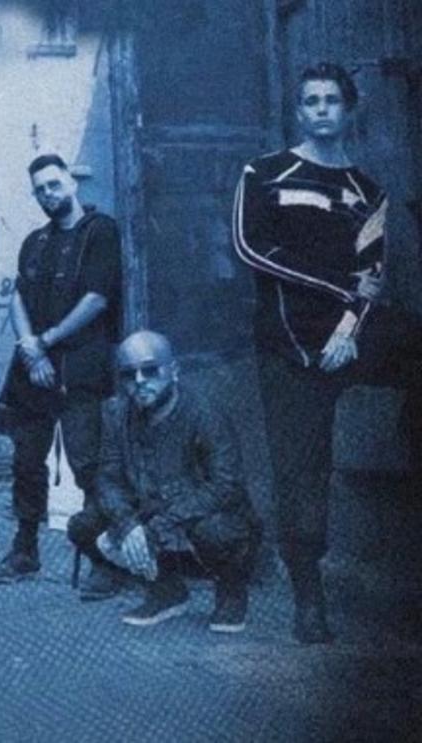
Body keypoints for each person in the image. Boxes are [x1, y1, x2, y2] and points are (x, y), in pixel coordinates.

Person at [233, 62, 422, 643]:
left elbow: (372, 274)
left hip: (347, 334)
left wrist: (349, 328)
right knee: (300, 472)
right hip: (289, 346)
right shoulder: (265, 173)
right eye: (311, 101)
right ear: (299, 111)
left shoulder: (369, 192)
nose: (321, 109)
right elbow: (250, 250)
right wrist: (340, 295)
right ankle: (308, 598)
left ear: (349, 109)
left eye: (332, 100)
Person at [0, 153, 122, 585]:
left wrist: (45, 342)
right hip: (34, 371)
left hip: (81, 367)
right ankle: (25, 552)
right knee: (26, 463)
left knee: (88, 464)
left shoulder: (100, 231)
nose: (48, 194)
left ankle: (105, 558)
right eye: (40, 190)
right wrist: (31, 350)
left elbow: (96, 299)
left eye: (54, 184)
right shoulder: (34, 241)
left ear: (72, 183)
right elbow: (17, 298)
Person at [67, 331, 262, 631]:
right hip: (151, 512)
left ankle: (231, 592)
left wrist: (156, 528)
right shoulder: (117, 414)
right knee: (84, 525)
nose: (140, 381)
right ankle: (166, 591)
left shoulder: (205, 414)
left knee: (217, 531)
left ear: (173, 370)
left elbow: (225, 486)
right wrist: (128, 525)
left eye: (150, 370)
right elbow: (107, 478)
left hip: (199, 518)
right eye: (129, 374)